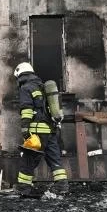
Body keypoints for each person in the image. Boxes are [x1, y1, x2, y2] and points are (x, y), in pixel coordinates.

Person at [14, 62, 67, 196]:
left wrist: (25, 130)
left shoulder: (26, 88)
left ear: (20, 75)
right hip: (50, 131)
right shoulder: (43, 87)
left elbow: (26, 110)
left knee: (28, 159)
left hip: (36, 132)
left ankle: (23, 187)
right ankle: (62, 186)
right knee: (54, 158)